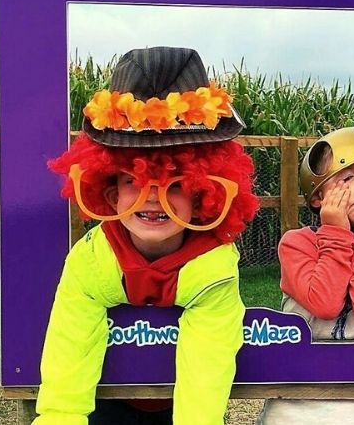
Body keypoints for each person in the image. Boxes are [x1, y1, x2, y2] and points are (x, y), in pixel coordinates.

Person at [33, 47, 260, 425]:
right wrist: (60, 417)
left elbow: (208, 364)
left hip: (177, 403)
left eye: (174, 183)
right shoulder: (92, 262)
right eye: (132, 180)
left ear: (202, 191)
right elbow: (68, 345)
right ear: (109, 191)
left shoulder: (214, 268)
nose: (152, 195)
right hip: (110, 400)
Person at [257, 127, 354, 425]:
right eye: (347, 177)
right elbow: (324, 302)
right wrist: (337, 233)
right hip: (298, 400)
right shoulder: (296, 243)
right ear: (318, 196)